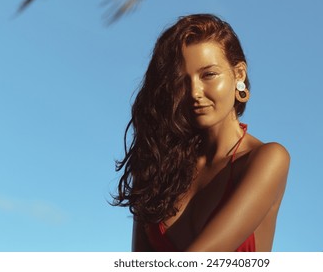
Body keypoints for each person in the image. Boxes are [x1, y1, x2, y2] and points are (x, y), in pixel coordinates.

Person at [113, 14, 290, 252]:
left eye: (208, 75)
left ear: (238, 74)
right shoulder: (157, 166)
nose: (195, 92)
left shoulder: (266, 159)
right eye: (181, 81)